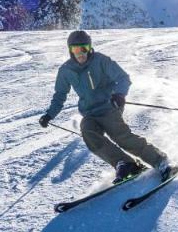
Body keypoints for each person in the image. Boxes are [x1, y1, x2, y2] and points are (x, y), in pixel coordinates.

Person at [38, 29, 170, 181]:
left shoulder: (101, 61)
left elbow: (123, 78)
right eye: (75, 49)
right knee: (88, 133)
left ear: (89, 48)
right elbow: (60, 95)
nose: (80, 53)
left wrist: (119, 95)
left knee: (122, 137)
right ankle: (125, 163)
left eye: (84, 48)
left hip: (109, 106)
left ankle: (160, 160)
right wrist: (49, 115)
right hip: (89, 113)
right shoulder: (66, 70)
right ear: (70, 51)